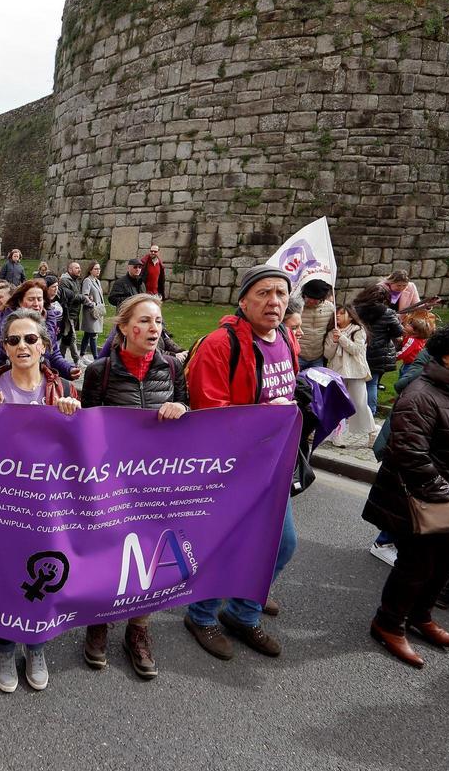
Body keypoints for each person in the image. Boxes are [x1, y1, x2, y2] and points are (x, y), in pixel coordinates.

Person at [183, 264, 300, 661]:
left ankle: (242, 612)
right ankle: (201, 615)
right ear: (244, 299)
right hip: (230, 469)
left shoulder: (285, 337)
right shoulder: (219, 344)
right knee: (227, 546)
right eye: (264, 293)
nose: (274, 301)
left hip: (273, 462)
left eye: (281, 294)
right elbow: (208, 414)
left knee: (281, 546)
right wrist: (267, 415)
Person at [364, 322, 449, 668]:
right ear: (445, 355)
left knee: (446, 565)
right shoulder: (422, 394)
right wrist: (446, 498)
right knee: (416, 566)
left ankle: (420, 618)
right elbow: (408, 452)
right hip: (419, 500)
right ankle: (389, 624)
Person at [81, 293, 190, 676]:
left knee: (152, 555)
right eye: (144, 321)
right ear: (124, 327)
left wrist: (182, 409)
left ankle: (139, 629)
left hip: (158, 482)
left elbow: (188, 419)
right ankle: (99, 622)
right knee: (110, 552)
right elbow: (87, 429)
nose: (153, 329)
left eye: (158, 322)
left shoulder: (173, 370)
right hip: (114, 482)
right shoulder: (99, 372)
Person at [0, 308, 79, 692]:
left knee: (46, 574)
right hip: (2, 504)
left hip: (48, 505)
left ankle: (36, 645)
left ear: (45, 346)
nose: (22, 346)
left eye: (30, 339)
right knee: (4, 575)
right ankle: (3, 647)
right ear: (4, 347)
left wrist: (71, 416)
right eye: (13, 340)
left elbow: (80, 452)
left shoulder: (63, 391)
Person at [0, 279, 76, 379]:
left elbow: (53, 353)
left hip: (39, 381)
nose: (36, 304)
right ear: (20, 301)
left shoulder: (49, 320)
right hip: (12, 382)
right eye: (31, 299)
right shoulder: (8, 324)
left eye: (39, 299)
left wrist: (69, 369)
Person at [324, 303, 376, 449]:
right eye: (336, 314)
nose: (338, 316)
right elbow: (327, 354)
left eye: (341, 313)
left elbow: (356, 350)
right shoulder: (332, 332)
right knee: (336, 404)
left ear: (350, 315)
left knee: (359, 403)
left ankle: (372, 433)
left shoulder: (358, 330)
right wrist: (334, 342)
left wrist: (341, 338)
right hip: (337, 372)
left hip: (355, 372)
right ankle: (337, 434)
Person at [353, 284, 403, 416]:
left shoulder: (355, 310)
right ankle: (370, 414)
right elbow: (398, 331)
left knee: (354, 382)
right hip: (379, 352)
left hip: (357, 349)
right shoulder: (388, 313)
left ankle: (351, 412)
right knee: (372, 384)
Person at [298, 279, 335, 369]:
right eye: (309, 298)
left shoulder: (330, 308)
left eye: (316, 300)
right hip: (298, 355)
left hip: (317, 357)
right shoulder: (296, 306)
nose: (311, 301)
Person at [57, 261, 88, 361]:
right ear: (70, 270)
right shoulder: (65, 281)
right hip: (68, 313)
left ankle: (59, 360)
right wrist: (83, 298)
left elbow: (75, 295)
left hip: (74, 314)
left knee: (66, 339)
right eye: (77, 268)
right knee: (72, 337)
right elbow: (69, 296)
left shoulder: (76, 281)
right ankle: (77, 360)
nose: (79, 270)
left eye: (79, 268)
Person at [80, 262, 105, 359]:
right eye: (96, 269)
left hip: (97, 311)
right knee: (93, 334)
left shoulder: (97, 281)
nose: (98, 271)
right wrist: (93, 304)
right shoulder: (87, 281)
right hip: (90, 312)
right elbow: (84, 296)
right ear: (90, 270)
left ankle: (81, 356)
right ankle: (96, 358)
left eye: (99, 269)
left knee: (87, 334)